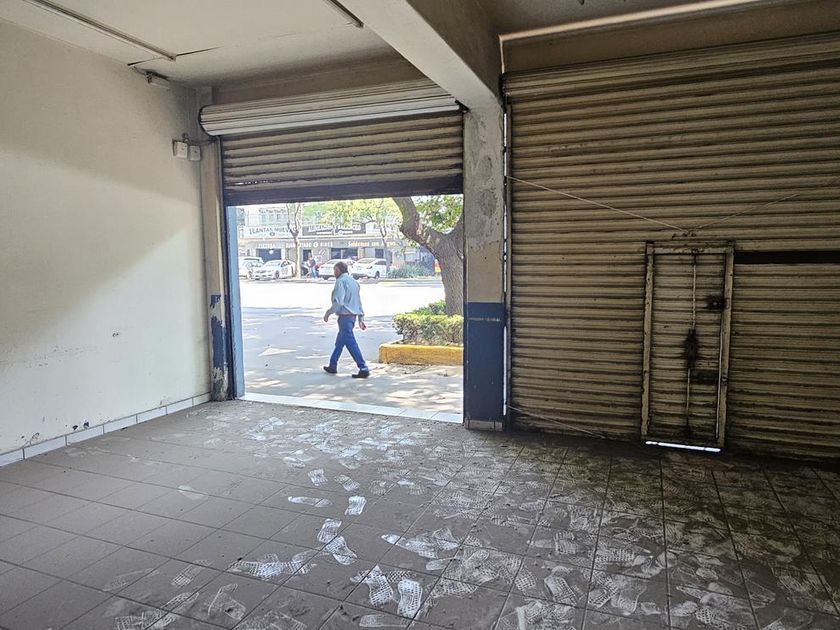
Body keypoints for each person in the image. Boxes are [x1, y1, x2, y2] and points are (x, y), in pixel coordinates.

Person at [323, 261, 369, 378]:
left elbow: (338, 302)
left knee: (351, 343)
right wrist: (361, 318)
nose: (334, 273)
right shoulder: (354, 282)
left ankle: (363, 367)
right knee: (340, 342)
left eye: (335, 270)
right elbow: (358, 302)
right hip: (352, 317)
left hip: (344, 317)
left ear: (338, 270)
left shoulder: (340, 281)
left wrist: (328, 313)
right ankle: (332, 365)